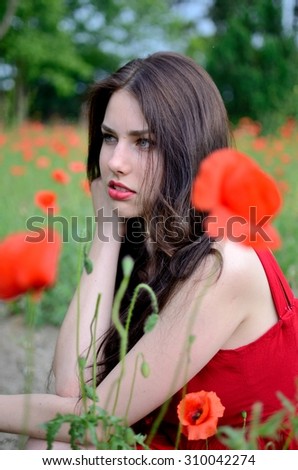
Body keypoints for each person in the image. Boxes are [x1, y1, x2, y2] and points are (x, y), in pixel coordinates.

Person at [1, 51, 298, 450]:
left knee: (56, 444)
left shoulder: (226, 264)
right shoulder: (148, 244)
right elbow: (74, 387)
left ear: (187, 152)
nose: (115, 162)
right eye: (109, 138)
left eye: (144, 142)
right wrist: (106, 233)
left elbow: (92, 421)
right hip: (164, 441)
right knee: (52, 443)